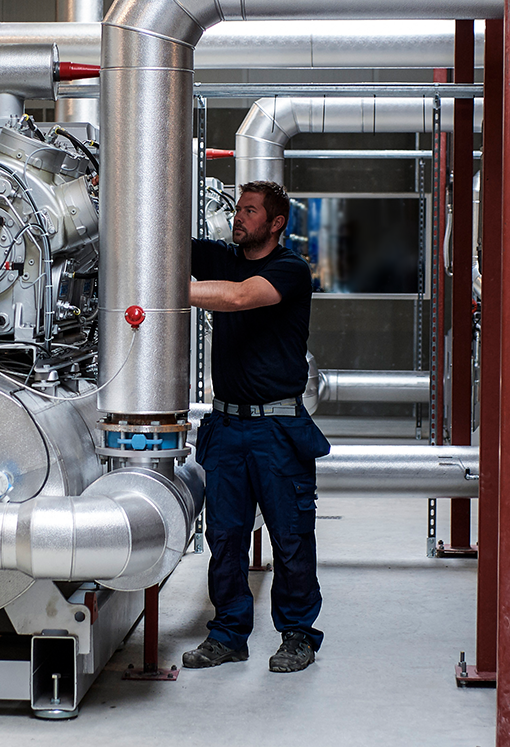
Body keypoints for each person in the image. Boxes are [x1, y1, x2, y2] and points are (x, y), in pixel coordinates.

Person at [183, 180, 331, 673]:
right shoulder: (220, 258)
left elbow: (244, 297)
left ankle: (297, 636)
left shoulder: (288, 269)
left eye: (250, 211)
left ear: (276, 223)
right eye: (238, 209)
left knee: (291, 537)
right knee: (225, 536)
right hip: (225, 425)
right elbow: (162, 245)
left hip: (277, 428)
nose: (239, 216)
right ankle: (228, 634)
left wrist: (173, 290)